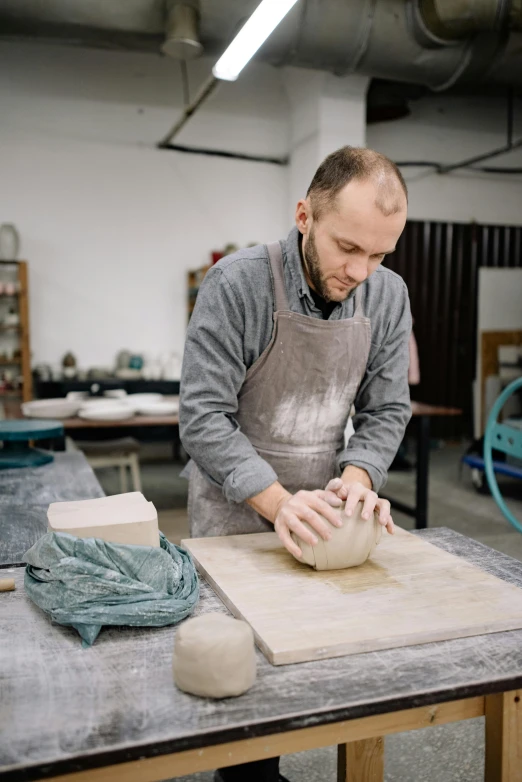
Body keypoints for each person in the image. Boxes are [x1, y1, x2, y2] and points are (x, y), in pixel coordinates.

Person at [180, 146, 412, 782]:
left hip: (325, 510)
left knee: (322, 668)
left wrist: (359, 476)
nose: (361, 270)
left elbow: (388, 408)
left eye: (379, 254)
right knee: (244, 682)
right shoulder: (238, 284)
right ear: (305, 215)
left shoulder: (388, 297)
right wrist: (277, 502)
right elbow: (202, 416)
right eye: (348, 248)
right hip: (236, 507)